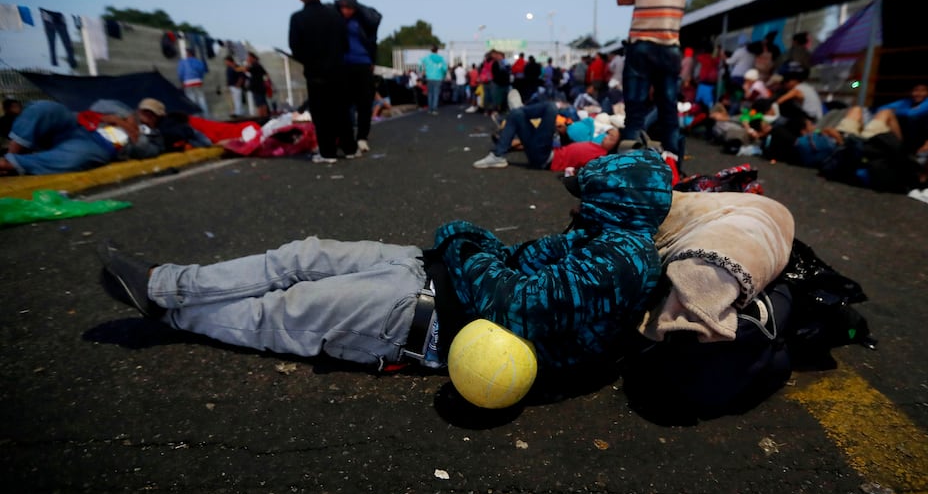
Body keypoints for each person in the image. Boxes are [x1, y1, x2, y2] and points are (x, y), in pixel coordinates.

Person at [97, 151, 674, 377]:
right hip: (424, 271)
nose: (575, 199)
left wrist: (464, 242)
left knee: (287, 314)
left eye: (588, 192)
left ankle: (169, 316)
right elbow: (519, 258)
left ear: (617, 202)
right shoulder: (600, 238)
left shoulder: (619, 264)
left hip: (423, 320)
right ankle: (165, 283)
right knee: (301, 254)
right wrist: (468, 248)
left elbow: (511, 305)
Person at [617, 0, 691, 162]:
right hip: (670, 44)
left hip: (641, 44)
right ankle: (673, 172)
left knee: (635, 114)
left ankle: (628, 175)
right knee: (669, 112)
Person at [0, 99, 161, 175]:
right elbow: (99, 105)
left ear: (158, 118)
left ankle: (9, 163)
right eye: (144, 111)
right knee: (46, 108)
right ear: (138, 110)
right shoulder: (125, 110)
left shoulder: (153, 136)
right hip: (76, 122)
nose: (147, 115)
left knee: (76, 158)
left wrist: (138, 134)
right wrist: (124, 117)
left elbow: (145, 150)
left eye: (152, 114)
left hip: (97, 144)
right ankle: (14, 151)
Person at [288, 0, 352, 163]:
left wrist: (310, 60)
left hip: (315, 73)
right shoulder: (335, 15)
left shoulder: (297, 19)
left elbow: (295, 47)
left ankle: (328, 152)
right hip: (338, 70)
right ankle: (349, 148)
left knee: (322, 114)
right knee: (341, 110)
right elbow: (345, 44)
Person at [472, 98, 621, 171]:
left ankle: (523, 109)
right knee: (516, 115)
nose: (609, 136)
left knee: (551, 107)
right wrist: (563, 133)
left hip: (546, 157)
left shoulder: (600, 157)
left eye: (612, 138)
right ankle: (498, 155)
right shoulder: (592, 142)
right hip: (545, 150)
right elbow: (567, 148)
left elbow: (585, 171)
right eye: (608, 134)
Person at [336, 0, 381, 154]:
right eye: (342, 7)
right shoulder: (336, 18)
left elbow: (376, 19)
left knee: (364, 103)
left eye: (349, 7)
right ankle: (346, 138)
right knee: (345, 104)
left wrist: (358, 7)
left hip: (363, 63)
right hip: (343, 64)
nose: (345, 11)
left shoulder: (364, 19)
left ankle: (362, 137)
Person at [177, 48, 209, 117]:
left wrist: (182, 81)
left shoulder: (183, 62)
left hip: (188, 83)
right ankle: (206, 116)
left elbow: (180, 73)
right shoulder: (199, 62)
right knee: (201, 99)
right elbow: (202, 72)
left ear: (188, 53)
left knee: (191, 100)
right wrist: (200, 79)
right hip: (198, 81)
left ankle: (196, 117)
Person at [420, 45, 448, 115]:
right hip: (438, 78)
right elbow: (444, 69)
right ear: (437, 50)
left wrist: (421, 70)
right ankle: (434, 109)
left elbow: (420, 62)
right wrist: (443, 75)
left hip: (429, 77)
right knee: (436, 94)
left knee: (430, 94)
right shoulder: (441, 58)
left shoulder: (427, 58)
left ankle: (430, 109)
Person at [245, 52, 271, 119]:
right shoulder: (258, 65)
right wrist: (266, 82)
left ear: (252, 58)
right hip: (261, 87)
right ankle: (265, 117)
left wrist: (247, 63)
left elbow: (246, 69)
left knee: (259, 103)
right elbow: (266, 74)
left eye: (249, 57)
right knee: (262, 102)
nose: (248, 59)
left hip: (257, 88)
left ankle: (262, 118)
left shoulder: (254, 65)